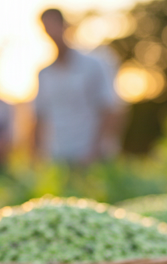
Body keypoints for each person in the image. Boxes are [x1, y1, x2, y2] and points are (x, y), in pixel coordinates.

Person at [33, 9, 118, 164]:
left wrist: (95, 151)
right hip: (57, 157)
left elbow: (108, 108)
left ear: (65, 26)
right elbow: (40, 117)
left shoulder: (94, 65)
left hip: (90, 157)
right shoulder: (44, 74)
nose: (51, 31)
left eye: (54, 25)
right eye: (47, 27)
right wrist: (37, 155)